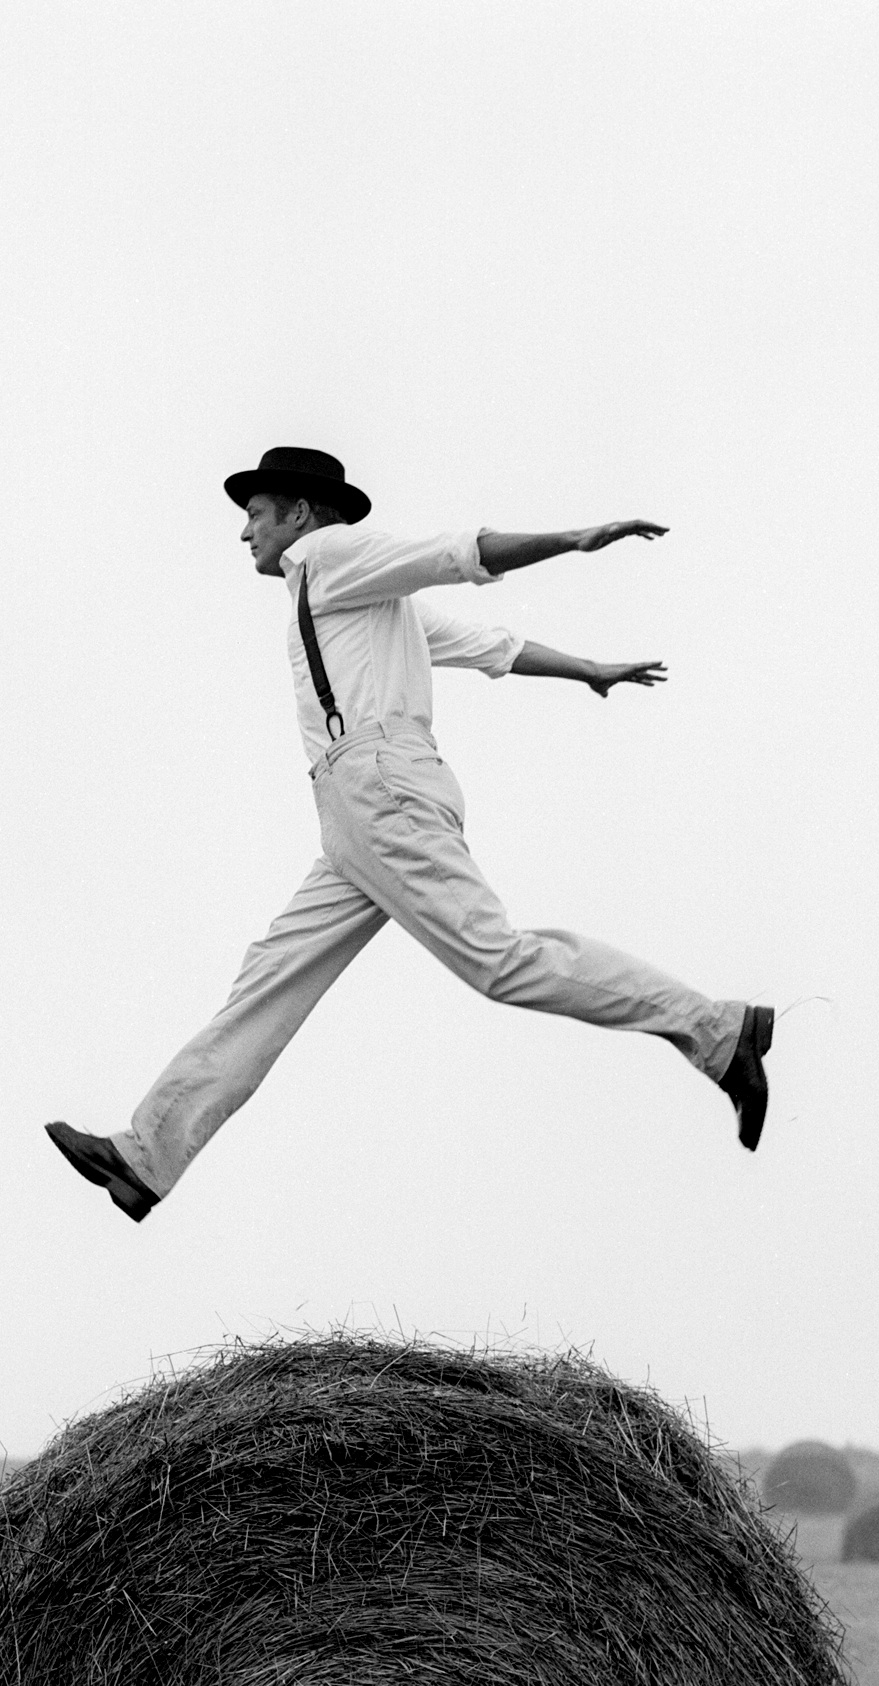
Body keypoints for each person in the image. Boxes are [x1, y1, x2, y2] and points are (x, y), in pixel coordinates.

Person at [47, 445, 772, 1221]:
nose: (244, 532)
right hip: (354, 813)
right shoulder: (358, 603)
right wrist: (588, 667)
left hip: (381, 790)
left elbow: (454, 555)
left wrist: (571, 539)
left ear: (298, 513)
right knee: (271, 978)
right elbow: (488, 645)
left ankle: (715, 1029)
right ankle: (146, 1153)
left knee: (498, 960)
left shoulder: (328, 556)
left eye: (255, 514)